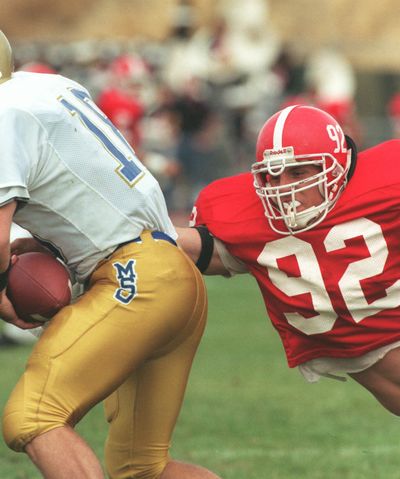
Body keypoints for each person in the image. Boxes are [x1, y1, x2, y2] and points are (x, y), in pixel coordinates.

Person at [0, 31, 221, 479]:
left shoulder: (3, 116)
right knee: (142, 468)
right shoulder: (47, 87)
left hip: (133, 280)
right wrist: (49, 242)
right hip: (174, 274)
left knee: (34, 416)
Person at [177, 102, 400, 419]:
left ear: (337, 167)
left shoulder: (388, 178)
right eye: (272, 175)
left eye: (299, 172)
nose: (286, 188)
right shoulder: (241, 211)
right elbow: (205, 251)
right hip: (355, 346)